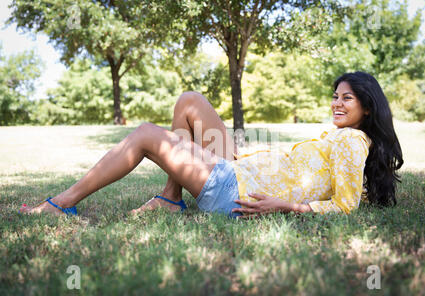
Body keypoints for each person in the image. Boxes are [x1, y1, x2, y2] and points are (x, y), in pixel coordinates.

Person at [19, 71, 403, 219]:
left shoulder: (353, 140)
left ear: (367, 108)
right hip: (240, 169)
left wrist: (283, 206)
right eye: (335, 96)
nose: (336, 103)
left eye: (347, 98)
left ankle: (62, 204)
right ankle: (171, 197)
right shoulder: (344, 138)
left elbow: (344, 206)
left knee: (145, 135)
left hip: (236, 190)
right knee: (190, 101)